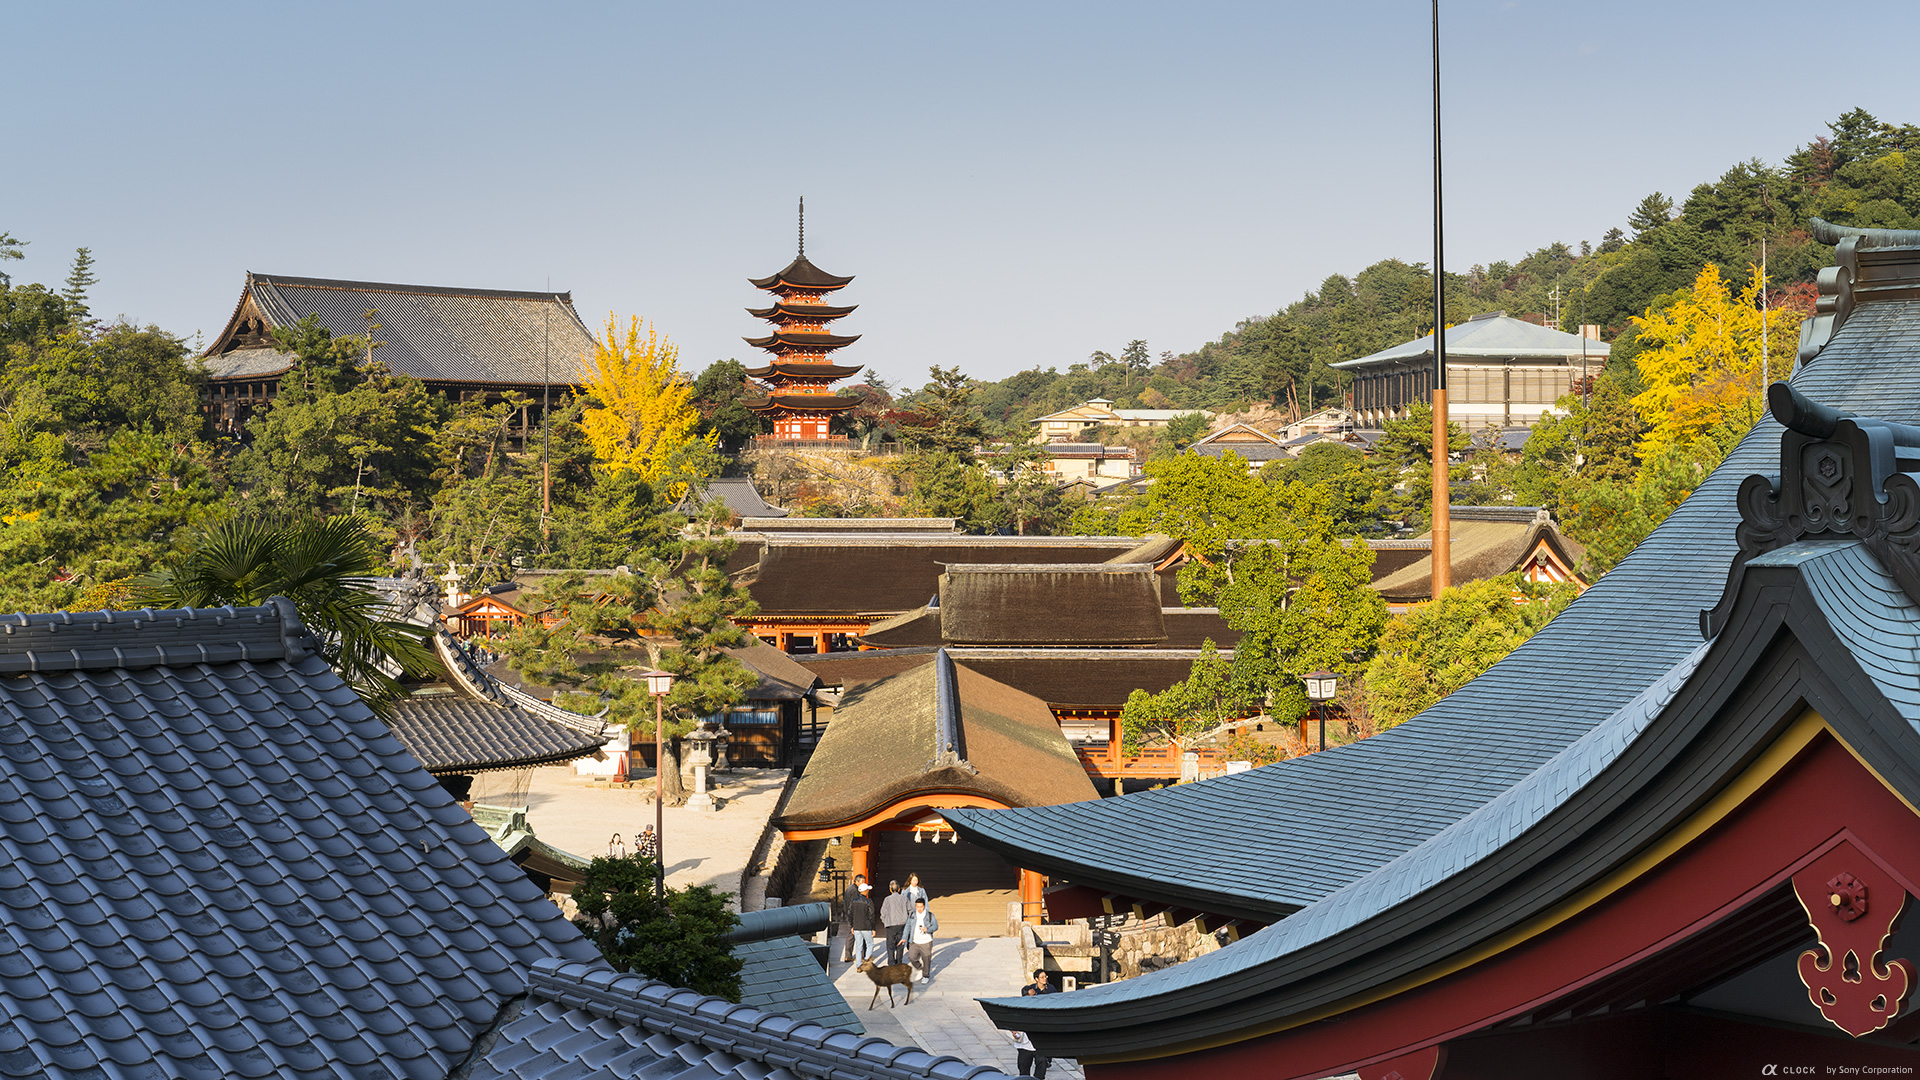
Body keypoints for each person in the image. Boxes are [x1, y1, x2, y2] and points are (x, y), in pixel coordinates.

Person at [1015, 969, 1060, 1078]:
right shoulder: (1020, 1007)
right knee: (1024, 1067)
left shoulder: (1051, 989)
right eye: (1042, 977)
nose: (1045, 979)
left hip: (1041, 1040)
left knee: (1041, 1065)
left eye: (1046, 976)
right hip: (1026, 1044)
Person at [846, 875, 879, 963]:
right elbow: (871, 916)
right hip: (866, 927)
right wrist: (873, 928)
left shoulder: (854, 901)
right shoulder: (868, 902)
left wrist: (852, 925)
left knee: (858, 946)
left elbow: (850, 914)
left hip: (856, 926)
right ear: (865, 891)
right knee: (870, 944)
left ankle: (858, 965)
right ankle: (866, 962)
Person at [906, 897, 939, 980]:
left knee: (926, 959)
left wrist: (928, 929)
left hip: (926, 941)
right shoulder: (912, 915)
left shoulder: (930, 915)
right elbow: (907, 926)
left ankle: (925, 975)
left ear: (924, 906)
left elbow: (935, 926)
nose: (919, 909)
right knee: (912, 957)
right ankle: (920, 968)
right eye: (917, 907)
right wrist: (904, 937)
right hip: (914, 941)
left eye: (921, 907)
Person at [879, 880, 911, 965]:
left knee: (890, 945)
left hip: (890, 925)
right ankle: (899, 961)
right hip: (902, 924)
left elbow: (883, 912)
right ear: (899, 889)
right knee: (900, 945)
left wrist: (885, 921)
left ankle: (891, 962)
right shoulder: (904, 898)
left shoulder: (887, 899)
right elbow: (910, 910)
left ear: (890, 889)